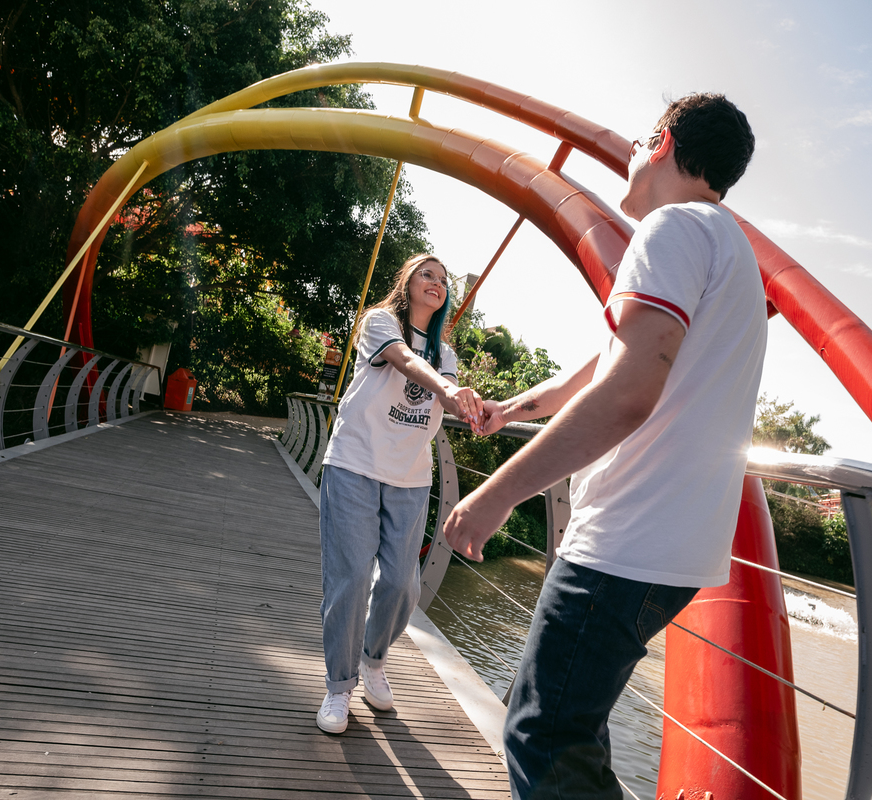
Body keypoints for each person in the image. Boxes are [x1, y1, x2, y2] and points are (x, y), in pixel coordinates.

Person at [443, 93, 765, 798]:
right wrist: (512, 409)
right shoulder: (727, 245)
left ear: (663, 143)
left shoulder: (674, 227)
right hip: (673, 548)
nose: (629, 156)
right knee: (572, 731)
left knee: (541, 736)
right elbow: (603, 366)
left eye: (640, 142)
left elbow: (625, 393)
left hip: (628, 538)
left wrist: (496, 495)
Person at [316, 253, 484, 734]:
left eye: (443, 279)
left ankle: (373, 659)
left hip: (410, 477)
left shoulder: (446, 355)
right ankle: (339, 686)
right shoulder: (379, 323)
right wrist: (447, 391)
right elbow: (404, 360)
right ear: (407, 282)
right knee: (350, 578)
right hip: (355, 463)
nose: (436, 282)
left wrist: (480, 408)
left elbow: (452, 397)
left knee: (402, 584)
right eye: (426, 274)